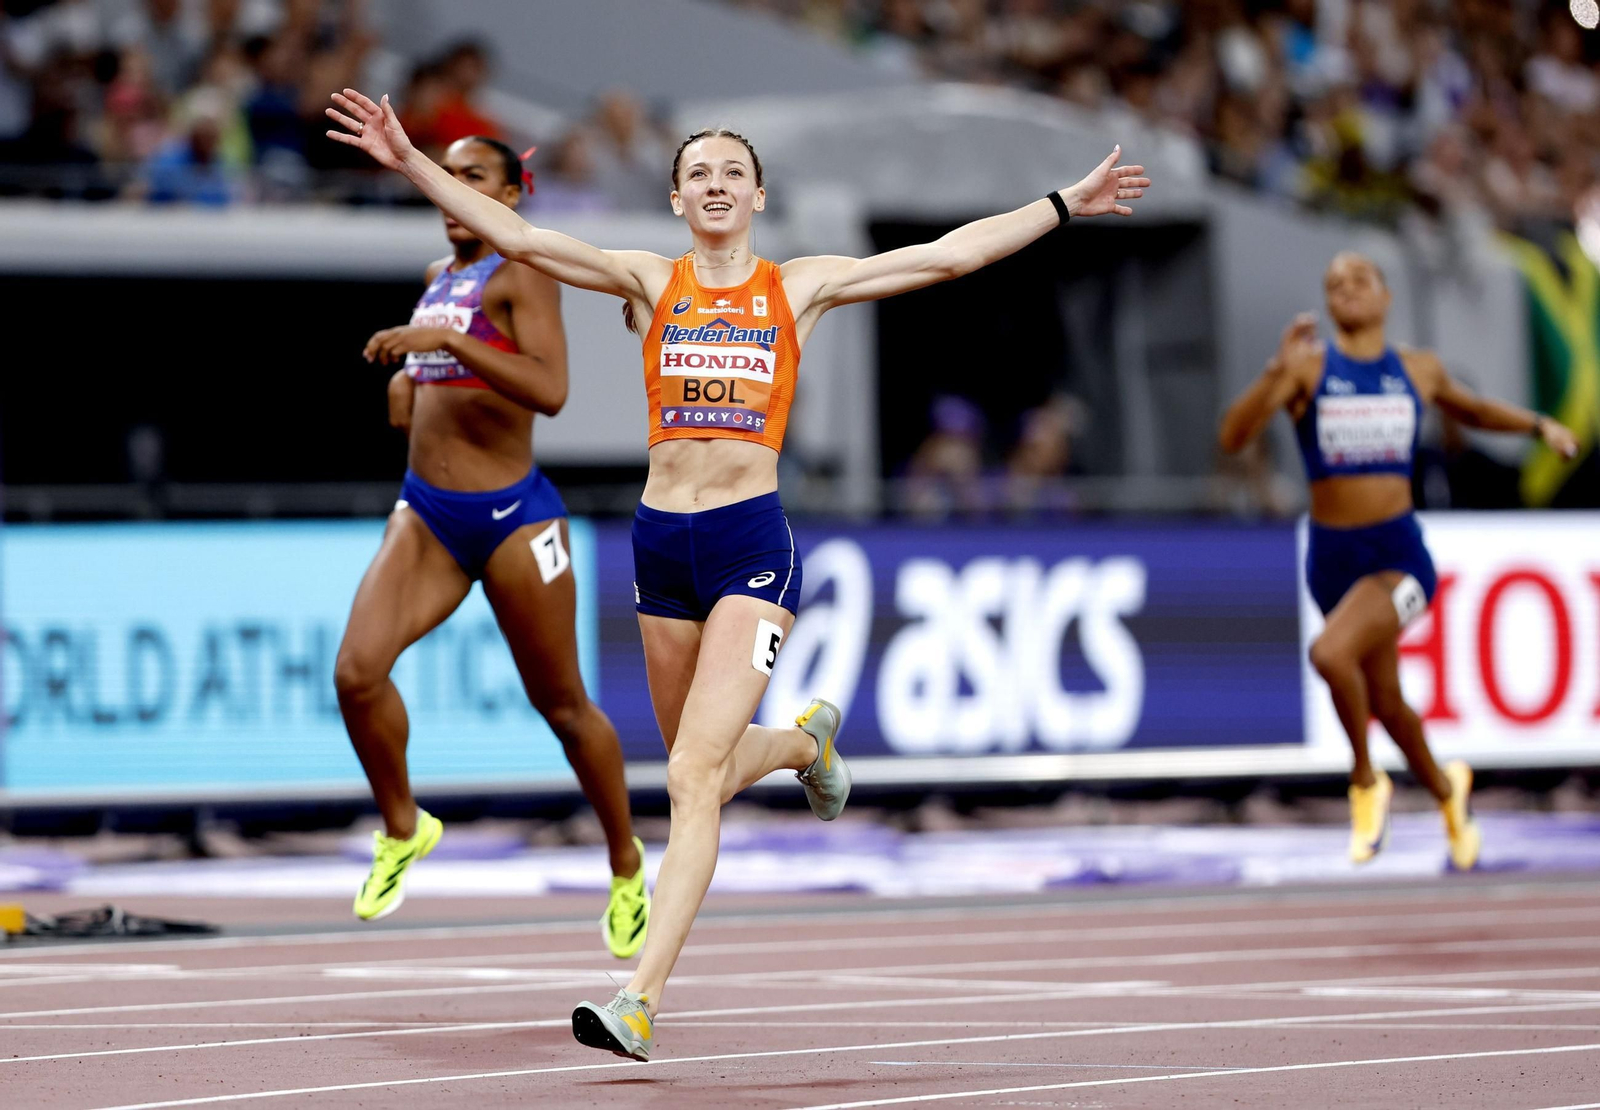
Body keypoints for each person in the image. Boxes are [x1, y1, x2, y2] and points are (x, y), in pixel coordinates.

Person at [326, 87, 1148, 1060]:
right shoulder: (645, 279)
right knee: (703, 775)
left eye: (732, 174)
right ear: (677, 200)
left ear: (756, 197)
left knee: (685, 774)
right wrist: (408, 160)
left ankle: (639, 999)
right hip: (659, 546)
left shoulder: (798, 286)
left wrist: (1063, 202)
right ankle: (804, 748)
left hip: (750, 545)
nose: (715, 186)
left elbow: (946, 255)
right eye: (698, 174)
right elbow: (522, 234)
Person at [333, 135, 648, 961]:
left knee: (566, 710)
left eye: (472, 176)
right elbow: (422, 405)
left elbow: (550, 390)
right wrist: (406, 386)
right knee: (356, 674)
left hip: (515, 519)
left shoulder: (523, 271)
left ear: (510, 196)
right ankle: (404, 826)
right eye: (447, 175)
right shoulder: (440, 281)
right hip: (429, 513)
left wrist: (444, 347)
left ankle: (625, 864)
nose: (453, 188)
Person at [1219, 252, 1579, 870]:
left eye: (1359, 279)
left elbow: (1473, 410)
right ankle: (1447, 791)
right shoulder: (1306, 369)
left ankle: (1365, 781)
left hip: (1397, 556)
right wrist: (1273, 371)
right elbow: (1233, 436)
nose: (1346, 289)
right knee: (1385, 700)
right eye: (1333, 284)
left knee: (1330, 653)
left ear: (1386, 298)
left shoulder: (1417, 369)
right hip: (1332, 559)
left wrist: (1539, 426)